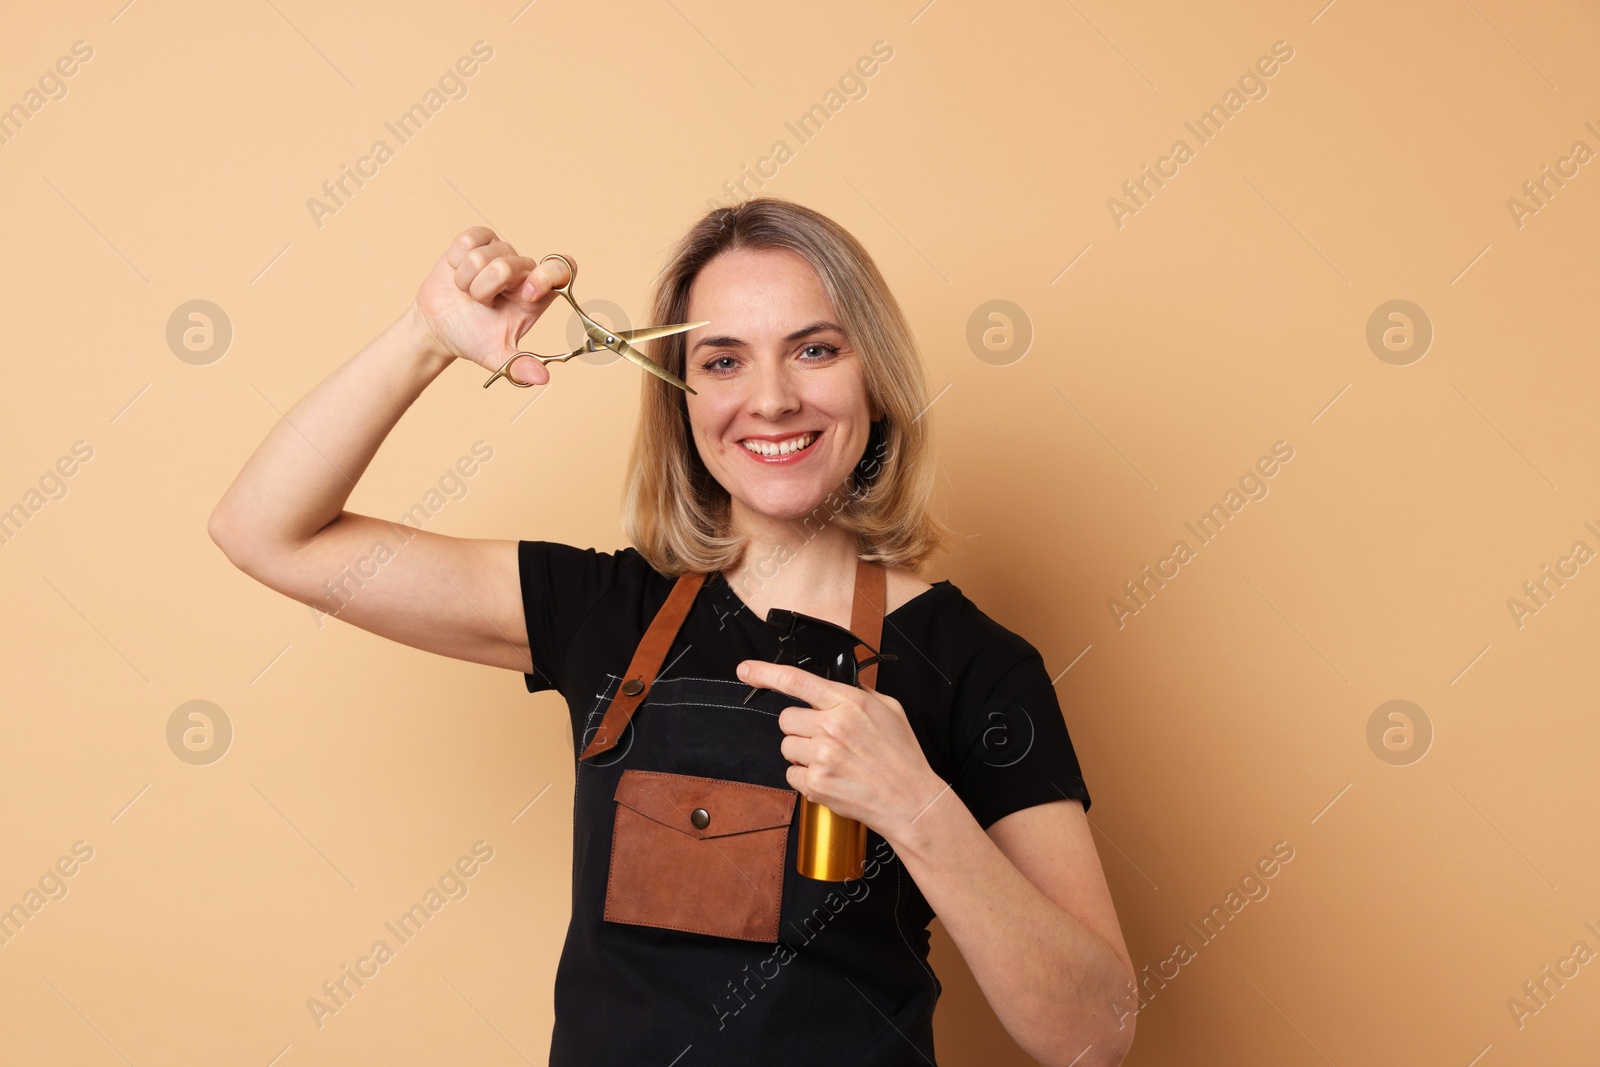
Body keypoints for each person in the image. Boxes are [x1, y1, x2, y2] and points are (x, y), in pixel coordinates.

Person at [208, 197, 1137, 1066]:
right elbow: (266, 531)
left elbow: (1095, 1033)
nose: (770, 400)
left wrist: (916, 804)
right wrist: (426, 338)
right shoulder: (599, 609)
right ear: (681, 397)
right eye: (723, 360)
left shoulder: (978, 664)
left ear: (878, 379)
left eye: (815, 350)